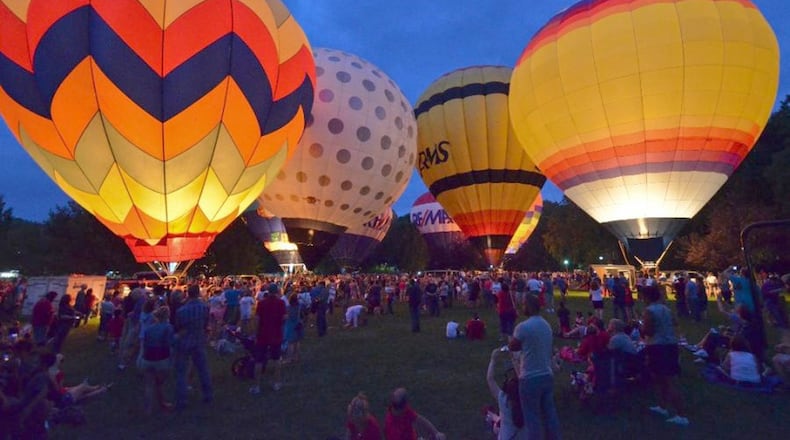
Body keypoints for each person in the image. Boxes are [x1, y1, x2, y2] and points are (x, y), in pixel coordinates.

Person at [511, 294, 560, 440]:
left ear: (529, 306)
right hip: (547, 374)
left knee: (532, 417)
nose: (522, 306)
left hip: (530, 377)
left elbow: (513, 346)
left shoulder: (523, 327)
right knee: (550, 414)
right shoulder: (546, 325)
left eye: (524, 304)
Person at [642, 285, 688, 426]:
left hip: (658, 346)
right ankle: (662, 406)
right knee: (662, 378)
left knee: (668, 380)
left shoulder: (649, 311)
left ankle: (681, 415)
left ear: (648, 297)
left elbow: (648, 331)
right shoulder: (666, 309)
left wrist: (641, 327)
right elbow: (675, 323)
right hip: (670, 344)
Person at [174, 284, 213, 410]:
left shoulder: (181, 310)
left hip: (184, 341)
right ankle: (207, 394)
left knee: (181, 371)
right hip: (199, 339)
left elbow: (178, 326)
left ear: (187, 294)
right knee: (203, 369)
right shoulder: (204, 308)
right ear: (198, 293)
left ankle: (182, 399)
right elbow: (206, 323)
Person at [250, 283, 287, 394]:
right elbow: (284, 317)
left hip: (262, 334)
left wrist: (255, 333)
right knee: (276, 359)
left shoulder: (261, 303)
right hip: (276, 333)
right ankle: (276, 383)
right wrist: (280, 324)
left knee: (259, 360)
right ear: (277, 292)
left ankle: (257, 386)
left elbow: (257, 319)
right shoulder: (281, 303)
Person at [138, 306, 174, 414]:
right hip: (161, 358)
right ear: (167, 315)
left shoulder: (149, 328)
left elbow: (145, 343)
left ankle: (148, 408)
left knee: (149, 384)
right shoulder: (168, 327)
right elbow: (169, 344)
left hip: (148, 357)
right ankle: (162, 402)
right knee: (159, 383)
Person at [486, 348, 527, 440]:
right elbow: (523, 380)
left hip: (506, 437)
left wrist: (493, 360)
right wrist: (514, 359)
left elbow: (490, 379)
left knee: (494, 420)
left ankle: (491, 417)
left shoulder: (503, 399)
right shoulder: (527, 399)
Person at [283, 293, 304, 363]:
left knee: (290, 343)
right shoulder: (299, 306)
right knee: (297, 342)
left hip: (290, 325)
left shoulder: (288, 308)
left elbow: (286, 316)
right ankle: (296, 357)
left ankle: (289, 358)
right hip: (298, 324)